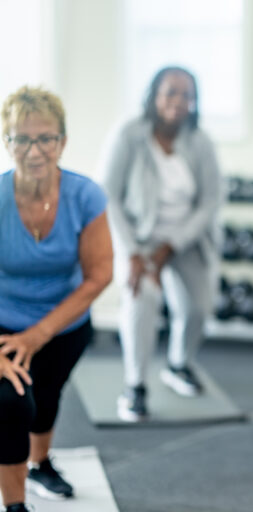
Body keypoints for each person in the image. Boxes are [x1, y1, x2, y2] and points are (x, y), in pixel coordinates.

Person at [0, 86, 113, 510]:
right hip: (4, 326)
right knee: (11, 403)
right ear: (7, 142)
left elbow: (99, 275)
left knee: (47, 396)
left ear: (62, 141)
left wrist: (40, 334)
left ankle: (40, 463)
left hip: (65, 323)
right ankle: (15, 504)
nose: (35, 151)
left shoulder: (85, 196)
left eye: (45, 138)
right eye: (22, 139)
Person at [101, 66, 222, 422]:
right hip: (139, 238)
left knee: (198, 307)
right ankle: (135, 385)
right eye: (171, 93)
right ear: (154, 95)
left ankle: (178, 364)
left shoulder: (200, 142)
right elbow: (108, 195)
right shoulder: (128, 134)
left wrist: (171, 246)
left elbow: (210, 202)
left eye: (186, 95)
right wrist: (133, 253)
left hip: (185, 238)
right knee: (143, 298)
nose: (178, 101)